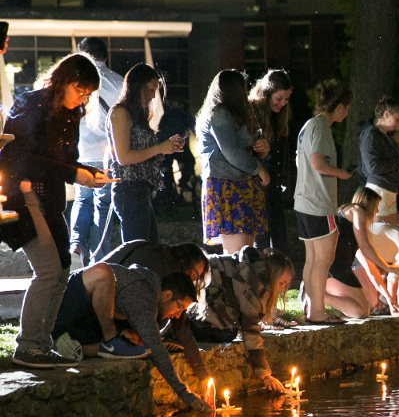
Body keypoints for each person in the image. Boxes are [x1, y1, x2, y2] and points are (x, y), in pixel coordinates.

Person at [0, 53, 108, 369]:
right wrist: (74, 174)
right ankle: (27, 346)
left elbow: (65, 161)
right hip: (23, 196)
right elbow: (20, 158)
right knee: (48, 269)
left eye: (88, 93)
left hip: (51, 202)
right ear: (63, 81)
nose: (83, 98)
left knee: (62, 270)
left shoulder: (71, 116)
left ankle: (42, 344)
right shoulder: (30, 105)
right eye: (80, 89)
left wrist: (87, 171)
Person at [51, 264, 208, 411]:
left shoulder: (149, 301)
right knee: (103, 273)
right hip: (61, 306)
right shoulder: (142, 294)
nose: (177, 315)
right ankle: (110, 341)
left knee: (134, 338)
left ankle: (74, 346)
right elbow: (157, 349)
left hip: (79, 322)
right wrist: (185, 394)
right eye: (179, 307)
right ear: (167, 295)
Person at [102, 239, 211, 383]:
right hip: (104, 306)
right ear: (186, 262)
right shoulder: (167, 276)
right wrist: (202, 375)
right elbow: (182, 328)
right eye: (196, 274)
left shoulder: (159, 253)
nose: (194, 280)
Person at [188, 247, 293, 392]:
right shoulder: (256, 287)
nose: (283, 289)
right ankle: (188, 326)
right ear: (273, 277)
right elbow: (250, 331)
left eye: (287, 284)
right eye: (281, 283)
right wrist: (265, 375)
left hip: (204, 287)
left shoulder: (252, 268)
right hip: (199, 295)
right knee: (228, 332)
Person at [293, 79, 353, 324]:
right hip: (319, 202)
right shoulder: (322, 128)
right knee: (323, 260)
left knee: (311, 260)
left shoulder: (307, 125)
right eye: (346, 108)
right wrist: (342, 173)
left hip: (303, 200)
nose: (347, 113)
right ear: (339, 107)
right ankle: (317, 311)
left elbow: (301, 163)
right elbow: (318, 164)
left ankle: (312, 308)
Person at [108, 63, 185, 244]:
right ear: (137, 87)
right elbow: (124, 157)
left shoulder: (138, 115)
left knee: (149, 250)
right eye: (150, 90)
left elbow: (141, 151)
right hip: (130, 189)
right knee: (140, 252)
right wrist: (159, 148)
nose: (152, 96)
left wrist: (165, 146)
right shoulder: (120, 112)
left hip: (141, 189)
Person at [197, 70, 270, 253]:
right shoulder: (219, 114)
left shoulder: (231, 114)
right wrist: (258, 168)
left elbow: (244, 147)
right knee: (237, 256)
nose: (246, 94)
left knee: (246, 254)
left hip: (240, 184)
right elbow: (231, 152)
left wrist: (262, 148)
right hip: (227, 186)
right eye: (243, 90)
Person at [69, 37, 124, 265]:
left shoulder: (72, 83)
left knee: (82, 200)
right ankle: (98, 257)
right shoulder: (118, 82)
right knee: (103, 204)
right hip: (107, 154)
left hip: (81, 152)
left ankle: (76, 247)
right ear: (104, 56)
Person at [324, 187, 399, 320]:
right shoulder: (358, 210)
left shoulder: (347, 218)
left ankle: (318, 297)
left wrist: (390, 300)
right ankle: (315, 296)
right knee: (361, 312)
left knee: (363, 311)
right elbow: (365, 245)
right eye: (376, 206)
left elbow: (370, 268)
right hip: (334, 268)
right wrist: (388, 267)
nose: (377, 211)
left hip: (338, 267)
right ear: (369, 203)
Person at [250, 70, 293, 252]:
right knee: (261, 239)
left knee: (279, 239)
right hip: (259, 182)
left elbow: (281, 150)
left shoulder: (280, 116)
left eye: (286, 98)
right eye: (279, 98)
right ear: (267, 94)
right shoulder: (253, 111)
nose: (283, 103)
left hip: (274, 183)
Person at [356, 96, 399, 223]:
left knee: (387, 236)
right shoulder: (370, 134)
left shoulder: (386, 137)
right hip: (378, 191)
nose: (398, 126)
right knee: (378, 234)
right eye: (397, 120)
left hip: (390, 191)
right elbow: (373, 166)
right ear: (386, 114)